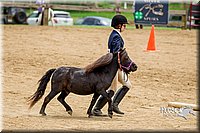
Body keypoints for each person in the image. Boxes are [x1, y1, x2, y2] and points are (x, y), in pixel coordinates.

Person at [92, 14, 132, 116]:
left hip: (115, 65)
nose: (125, 27)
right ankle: (97, 108)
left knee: (126, 85)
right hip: (114, 66)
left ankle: (114, 105)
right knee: (112, 89)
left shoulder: (114, 35)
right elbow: (116, 53)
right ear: (119, 25)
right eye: (124, 25)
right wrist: (122, 66)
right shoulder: (116, 37)